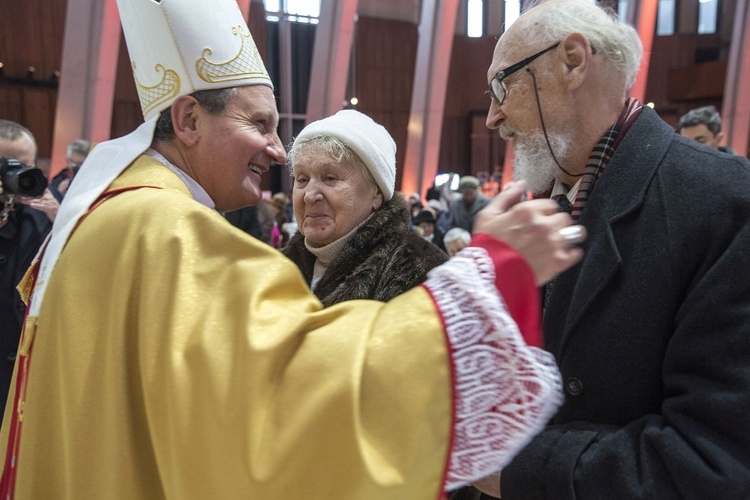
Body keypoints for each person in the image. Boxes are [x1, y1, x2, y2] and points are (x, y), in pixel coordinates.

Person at [0, 0, 585, 498]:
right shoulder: (166, 231)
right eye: (260, 124)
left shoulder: (113, 214)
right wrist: (489, 274)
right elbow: (299, 392)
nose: (279, 154)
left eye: (326, 176)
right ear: (187, 119)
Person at [464, 0, 750, 498]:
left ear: (573, 60)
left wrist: (515, 470)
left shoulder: (723, 202)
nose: (492, 117)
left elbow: (712, 459)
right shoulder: (544, 208)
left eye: (501, 85)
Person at [283, 109, 448, 304]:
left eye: (329, 178)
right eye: (302, 179)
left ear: (376, 192)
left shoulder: (424, 273)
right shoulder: (278, 268)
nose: (310, 195)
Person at [0, 120, 57, 422]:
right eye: (4, 167)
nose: (12, 178)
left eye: (22, 168)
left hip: (22, 378)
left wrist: (63, 221)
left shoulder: (46, 218)